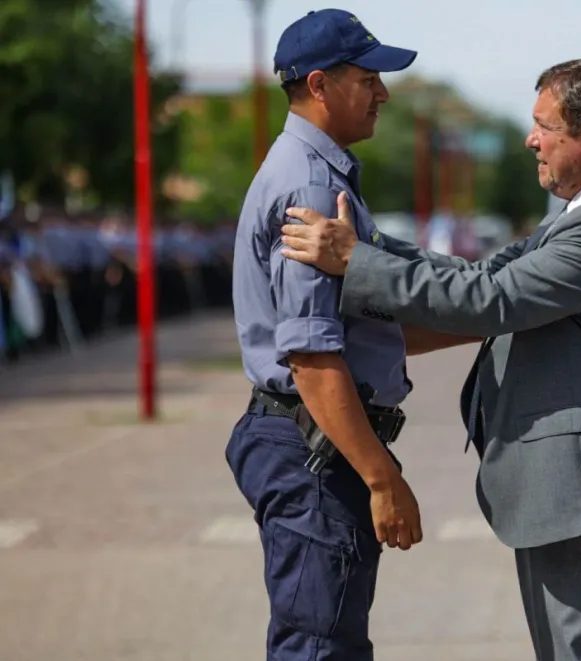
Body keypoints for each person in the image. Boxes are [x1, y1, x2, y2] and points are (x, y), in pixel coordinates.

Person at [281, 55, 581, 661]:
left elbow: (491, 299)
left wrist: (356, 262)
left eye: (545, 126)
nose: (531, 139)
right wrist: (367, 243)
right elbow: (482, 273)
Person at [225, 9, 446, 660]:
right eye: (368, 78)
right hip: (314, 450)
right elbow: (312, 354)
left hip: (307, 441)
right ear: (319, 85)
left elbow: (362, 326)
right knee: (320, 648)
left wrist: (489, 320)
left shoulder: (316, 171)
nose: (383, 93)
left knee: (327, 640)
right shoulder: (312, 185)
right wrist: (381, 479)